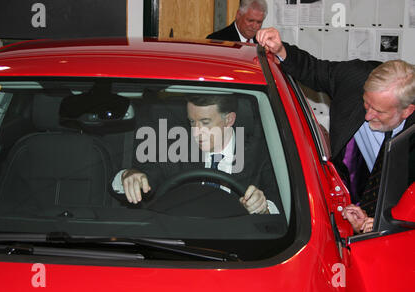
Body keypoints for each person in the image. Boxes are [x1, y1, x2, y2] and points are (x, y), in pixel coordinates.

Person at [256, 27, 415, 232]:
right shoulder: (353, 79)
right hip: (344, 206)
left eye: (379, 112)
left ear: (407, 111)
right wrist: (280, 49)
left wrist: (382, 225)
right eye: (367, 104)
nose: (368, 116)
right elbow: (313, 70)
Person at [112, 94, 281, 215]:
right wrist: (129, 175)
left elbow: (286, 210)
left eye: (205, 123)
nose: (196, 132)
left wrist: (263, 207)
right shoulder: (176, 148)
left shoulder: (262, 152)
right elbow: (148, 177)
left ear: (229, 119)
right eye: (192, 122)